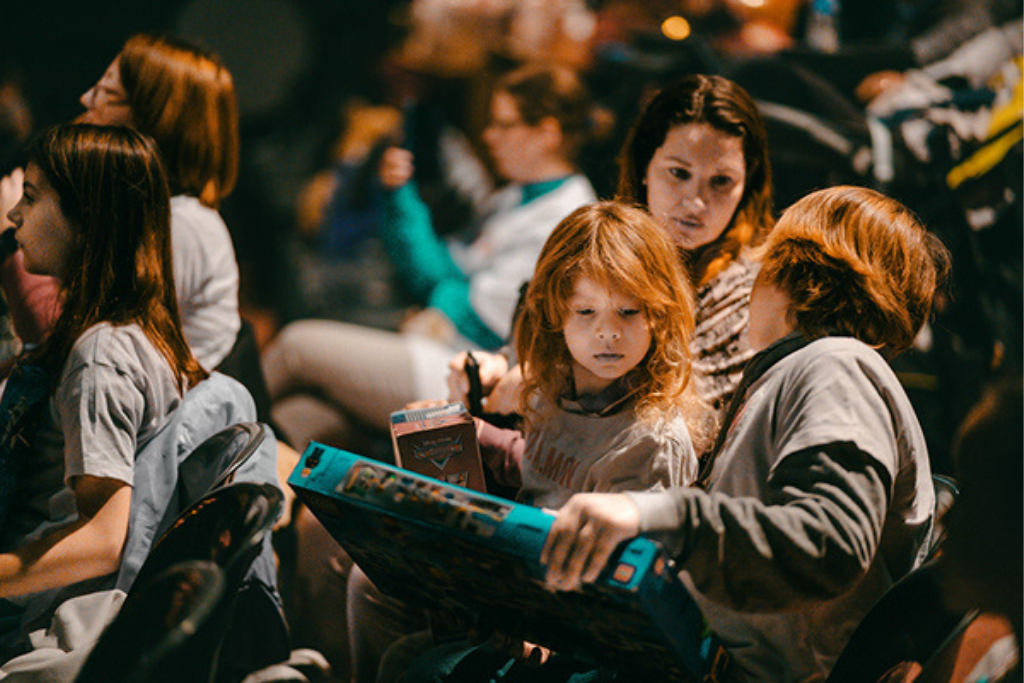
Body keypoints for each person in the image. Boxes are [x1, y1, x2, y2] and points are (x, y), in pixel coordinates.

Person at [534, 185, 951, 682]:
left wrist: (652, 514)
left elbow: (830, 541)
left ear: (792, 268)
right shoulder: (798, 374)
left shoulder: (837, 365)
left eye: (767, 255)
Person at [357, 200, 708, 683]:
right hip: (519, 596)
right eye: (586, 311)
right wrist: (466, 436)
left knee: (419, 667)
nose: (608, 331)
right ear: (556, 315)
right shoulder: (556, 389)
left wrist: (528, 639)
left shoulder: (651, 439)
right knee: (373, 592)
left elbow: (625, 598)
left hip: (579, 643)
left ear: (660, 314)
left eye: (629, 311)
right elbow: (542, 467)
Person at [262, 62, 597, 452]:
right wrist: (400, 197)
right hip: (440, 347)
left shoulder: (569, 216)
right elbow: (437, 274)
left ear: (547, 134)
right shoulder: (513, 195)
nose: (489, 136)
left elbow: (473, 316)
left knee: (295, 345)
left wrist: (441, 289)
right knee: (301, 415)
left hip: (468, 375)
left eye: (504, 125)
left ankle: (200, 439)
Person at [0, 123, 208, 665]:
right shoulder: (139, 325)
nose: (14, 216)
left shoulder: (99, 358)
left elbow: (102, 540)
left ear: (87, 218)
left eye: (32, 196)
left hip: (26, 616)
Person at [449, 73, 774, 420]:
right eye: (679, 173)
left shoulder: (748, 295)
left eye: (721, 181)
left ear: (747, 185)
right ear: (645, 166)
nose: (695, 203)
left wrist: (544, 379)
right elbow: (532, 346)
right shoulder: (599, 242)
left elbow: (689, 425)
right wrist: (495, 365)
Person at [0, 33, 241, 373]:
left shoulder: (181, 226)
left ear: (154, 124)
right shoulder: (132, 212)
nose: (86, 98)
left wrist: (12, 240)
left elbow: (75, 355)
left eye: (107, 93)